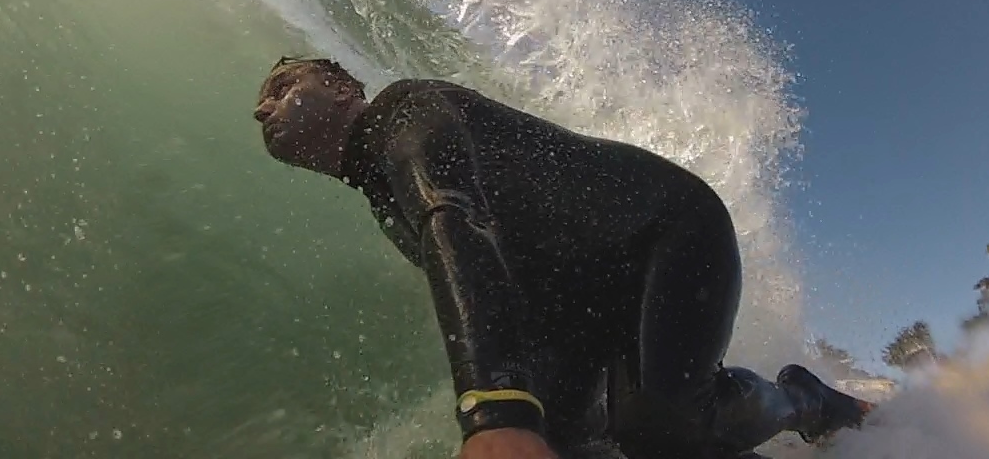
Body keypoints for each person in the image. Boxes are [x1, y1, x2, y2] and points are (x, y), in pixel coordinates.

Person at [252, 56, 875, 459]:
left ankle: (804, 399)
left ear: (342, 87)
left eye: (282, 87)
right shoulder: (382, 194)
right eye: (262, 104)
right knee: (573, 440)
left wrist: (495, 409)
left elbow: (457, 223)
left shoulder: (403, 111)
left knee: (661, 423)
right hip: (583, 297)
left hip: (666, 228)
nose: (262, 108)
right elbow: (509, 289)